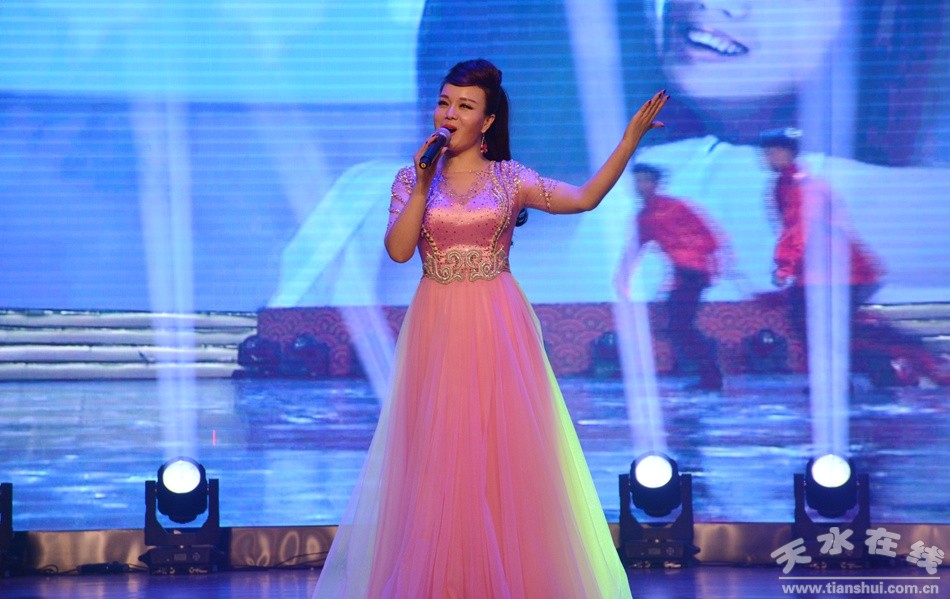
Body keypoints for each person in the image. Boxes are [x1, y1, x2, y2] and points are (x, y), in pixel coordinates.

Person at [312, 59, 667, 598]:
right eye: (444, 103)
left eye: (465, 106)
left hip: (498, 323)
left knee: (501, 457)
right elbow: (400, 251)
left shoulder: (510, 177)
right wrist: (422, 185)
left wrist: (628, 142)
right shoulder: (410, 178)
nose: (450, 114)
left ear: (489, 121)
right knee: (437, 457)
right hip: (436, 324)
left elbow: (584, 199)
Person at [614, 163, 725, 390]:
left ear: (656, 183)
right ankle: (710, 374)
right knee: (679, 325)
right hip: (682, 272)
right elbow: (634, 248)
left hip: (694, 271)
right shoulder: (644, 217)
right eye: (637, 181)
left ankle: (711, 375)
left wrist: (711, 265)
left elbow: (710, 235)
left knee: (679, 325)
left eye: (646, 180)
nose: (641, 185)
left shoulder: (677, 207)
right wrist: (622, 276)